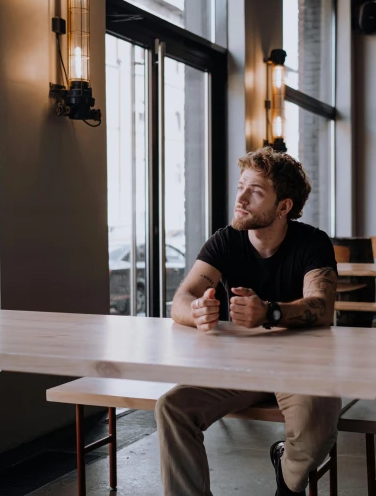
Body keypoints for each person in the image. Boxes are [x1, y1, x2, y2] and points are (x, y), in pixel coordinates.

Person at [155, 148, 341, 496]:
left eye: (255, 191)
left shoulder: (311, 242)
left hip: (300, 366)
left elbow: (322, 305)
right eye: (241, 186)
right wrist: (196, 310)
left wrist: (269, 313)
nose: (240, 198)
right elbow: (182, 297)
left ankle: (287, 482)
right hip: (239, 367)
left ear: (284, 206)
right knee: (172, 407)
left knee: (316, 423)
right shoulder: (226, 240)